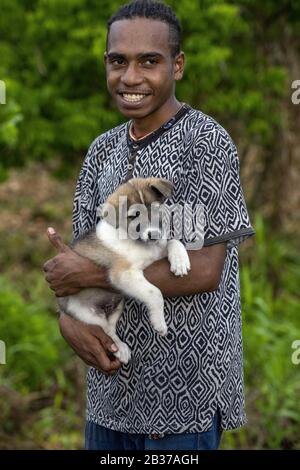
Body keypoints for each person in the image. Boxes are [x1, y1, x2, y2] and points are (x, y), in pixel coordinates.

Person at [43, 0, 255, 451]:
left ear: (177, 66)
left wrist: (93, 275)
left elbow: (202, 271)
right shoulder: (101, 151)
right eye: (118, 61)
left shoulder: (205, 141)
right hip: (109, 398)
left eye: (149, 62)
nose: (131, 77)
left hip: (184, 404)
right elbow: (78, 261)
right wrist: (68, 323)